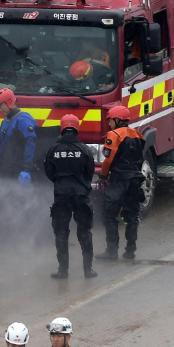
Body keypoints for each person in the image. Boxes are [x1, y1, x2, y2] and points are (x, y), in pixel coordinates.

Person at [44, 114, 97, 279]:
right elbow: (90, 172)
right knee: (85, 232)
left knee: (61, 232)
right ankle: (88, 270)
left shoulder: (53, 149)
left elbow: (49, 172)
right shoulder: (84, 149)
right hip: (81, 195)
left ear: (62, 128)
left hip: (61, 195)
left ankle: (63, 271)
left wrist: (60, 182)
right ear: (76, 128)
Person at [95, 105, 145, 260]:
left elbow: (108, 159)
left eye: (110, 120)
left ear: (117, 120)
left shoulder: (113, 134)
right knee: (132, 215)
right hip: (135, 180)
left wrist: (103, 176)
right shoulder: (138, 135)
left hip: (120, 180)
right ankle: (130, 250)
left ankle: (112, 251)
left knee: (109, 215)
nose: (109, 123)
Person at [0, 88, 37, 185]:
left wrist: (26, 169)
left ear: (9, 102)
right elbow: (1, 148)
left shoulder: (24, 121)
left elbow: (30, 145)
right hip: (6, 171)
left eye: (1, 105)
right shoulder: (4, 122)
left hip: (18, 172)